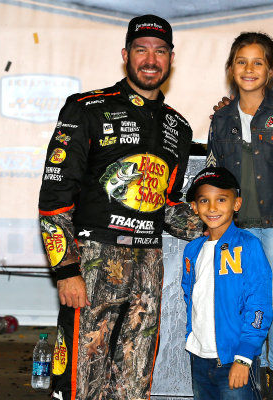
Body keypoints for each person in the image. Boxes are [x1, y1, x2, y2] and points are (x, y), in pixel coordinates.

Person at [38, 14, 201, 400]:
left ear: (171, 59)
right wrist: (65, 271)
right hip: (93, 260)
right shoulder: (86, 109)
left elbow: (167, 205)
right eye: (142, 50)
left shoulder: (179, 127)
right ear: (126, 55)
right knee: (80, 383)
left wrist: (215, 223)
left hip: (149, 266)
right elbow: (55, 196)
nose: (151, 60)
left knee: (134, 383)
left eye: (160, 52)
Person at [206, 32, 273, 400]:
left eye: (258, 62)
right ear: (231, 69)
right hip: (236, 229)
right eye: (241, 62)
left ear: (271, 70)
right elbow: (215, 172)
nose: (249, 69)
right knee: (240, 302)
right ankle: (249, 369)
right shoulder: (221, 118)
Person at [181, 166, 273, 400]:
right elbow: (189, 295)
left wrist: (244, 357)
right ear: (194, 207)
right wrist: (191, 335)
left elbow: (259, 305)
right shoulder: (192, 250)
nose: (212, 208)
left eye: (221, 199)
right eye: (204, 200)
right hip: (199, 359)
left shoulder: (248, 246)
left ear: (236, 203)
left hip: (235, 359)